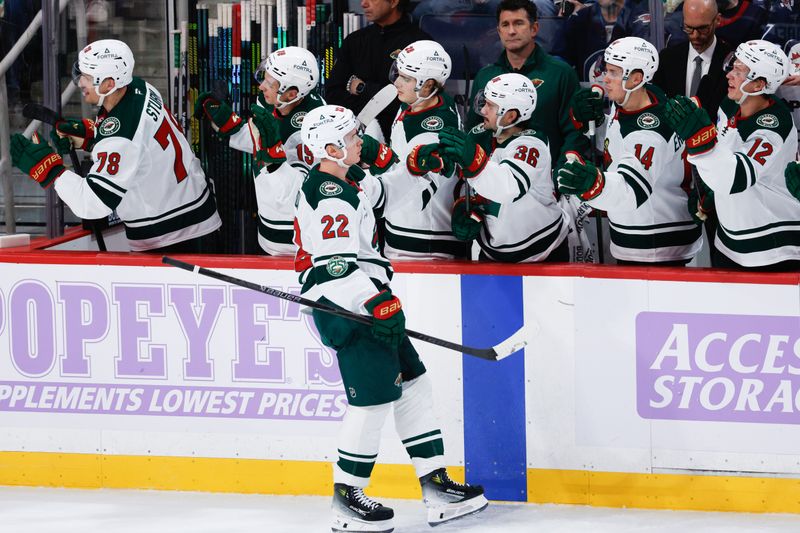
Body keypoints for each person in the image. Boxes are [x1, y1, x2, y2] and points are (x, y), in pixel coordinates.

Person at [295, 105, 488, 533]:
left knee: (415, 384)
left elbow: (380, 193)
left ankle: (436, 485)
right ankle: (347, 498)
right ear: (329, 148)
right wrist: (375, 304)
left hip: (368, 302)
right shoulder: (330, 195)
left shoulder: (346, 178)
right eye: (349, 138)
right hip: (348, 308)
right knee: (372, 402)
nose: (359, 142)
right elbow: (334, 268)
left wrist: (413, 169)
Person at [9, 39, 221, 253]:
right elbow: (139, 145)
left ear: (109, 84)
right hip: (192, 213)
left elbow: (92, 202)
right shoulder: (139, 87)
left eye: (88, 77)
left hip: (173, 236)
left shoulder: (121, 137)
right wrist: (91, 135)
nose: (80, 83)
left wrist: (50, 168)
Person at [557, 37, 703, 265]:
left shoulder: (650, 133)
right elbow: (620, 145)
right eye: (607, 70)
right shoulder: (637, 98)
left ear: (636, 78)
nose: (605, 78)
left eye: (614, 72)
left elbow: (630, 192)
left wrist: (594, 185)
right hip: (645, 232)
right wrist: (595, 123)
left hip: (656, 242)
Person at [664, 40, 800, 270]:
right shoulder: (730, 104)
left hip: (772, 248)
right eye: (732, 66)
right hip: (729, 239)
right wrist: (711, 193)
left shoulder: (774, 125)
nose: (729, 75)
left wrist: (700, 142)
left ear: (758, 84)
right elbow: (725, 154)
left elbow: (736, 177)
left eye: (739, 70)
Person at [195, 46, 325, 255]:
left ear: (291, 93)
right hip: (267, 222)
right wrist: (229, 125)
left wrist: (275, 162)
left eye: (270, 83)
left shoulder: (311, 128)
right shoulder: (275, 100)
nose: (262, 86)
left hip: (293, 238)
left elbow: (304, 191)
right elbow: (261, 140)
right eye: (265, 76)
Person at [439, 73, 570, 262]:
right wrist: (465, 208)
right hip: (493, 252)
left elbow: (507, 188)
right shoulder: (479, 136)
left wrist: (471, 159)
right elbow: (465, 182)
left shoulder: (532, 145)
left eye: (490, 106)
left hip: (544, 251)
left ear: (510, 116)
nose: (483, 110)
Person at [467, 0, 589, 168]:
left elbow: (575, 132)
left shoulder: (561, 73)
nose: (511, 31)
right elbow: (474, 131)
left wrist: (560, 176)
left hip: (547, 184)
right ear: (498, 31)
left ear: (534, 29)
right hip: (493, 184)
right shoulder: (485, 77)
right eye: (505, 25)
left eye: (518, 23)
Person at [375, 39, 466, 259]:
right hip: (407, 231)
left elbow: (412, 188)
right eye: (398, 73)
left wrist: (378, 159)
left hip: (425, 243)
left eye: (406, 78)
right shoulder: (417, 100)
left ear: (429, 85)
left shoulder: (435, 130)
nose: (397, 82)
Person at [326, 0, 431, 140]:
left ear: (393, 2)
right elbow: (333, 94)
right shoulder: (354, 41)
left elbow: (419, 101)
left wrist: (363, 89)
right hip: (355, 138)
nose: (363, 4)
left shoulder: (420, 45)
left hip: (404, 137)